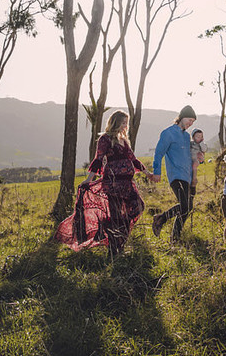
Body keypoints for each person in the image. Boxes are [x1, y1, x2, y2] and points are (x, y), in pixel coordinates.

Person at [54, 110, 156, 257]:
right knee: (115, 216)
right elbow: (98, 159)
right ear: (115, 122)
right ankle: (115, 250)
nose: (125, 126)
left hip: (127, 183)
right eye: (123, 122)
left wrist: (148, 173)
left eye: (126, 123)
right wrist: (89, 180)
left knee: (138, 207)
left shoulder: (124, 140)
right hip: (112, 184)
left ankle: (108, 229)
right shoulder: (105, 139)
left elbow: (134, 160)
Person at [151, 105, 197, 242]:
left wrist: (197, 162)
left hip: (188, 177)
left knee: (187, 208)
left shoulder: (187, 136)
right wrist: (157, 172)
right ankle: (161, 218)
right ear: (182, 117)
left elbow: (188, 156)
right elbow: (158, 153)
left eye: (193, 122)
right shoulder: (168, 133)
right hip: (176, 176)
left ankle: (175, 237)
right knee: (185, 206)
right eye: (189, 119)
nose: (191, 123)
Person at [189, 127, 207, 198]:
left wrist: (202, 142)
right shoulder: (190, 143)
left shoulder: (201, 145)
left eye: (201, 137)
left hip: (196, 160)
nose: (199, 138)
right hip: (190, 160)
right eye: (197, 136)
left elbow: (204, 149)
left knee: (194, 167)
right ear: (193, 137)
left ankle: (194, 181)